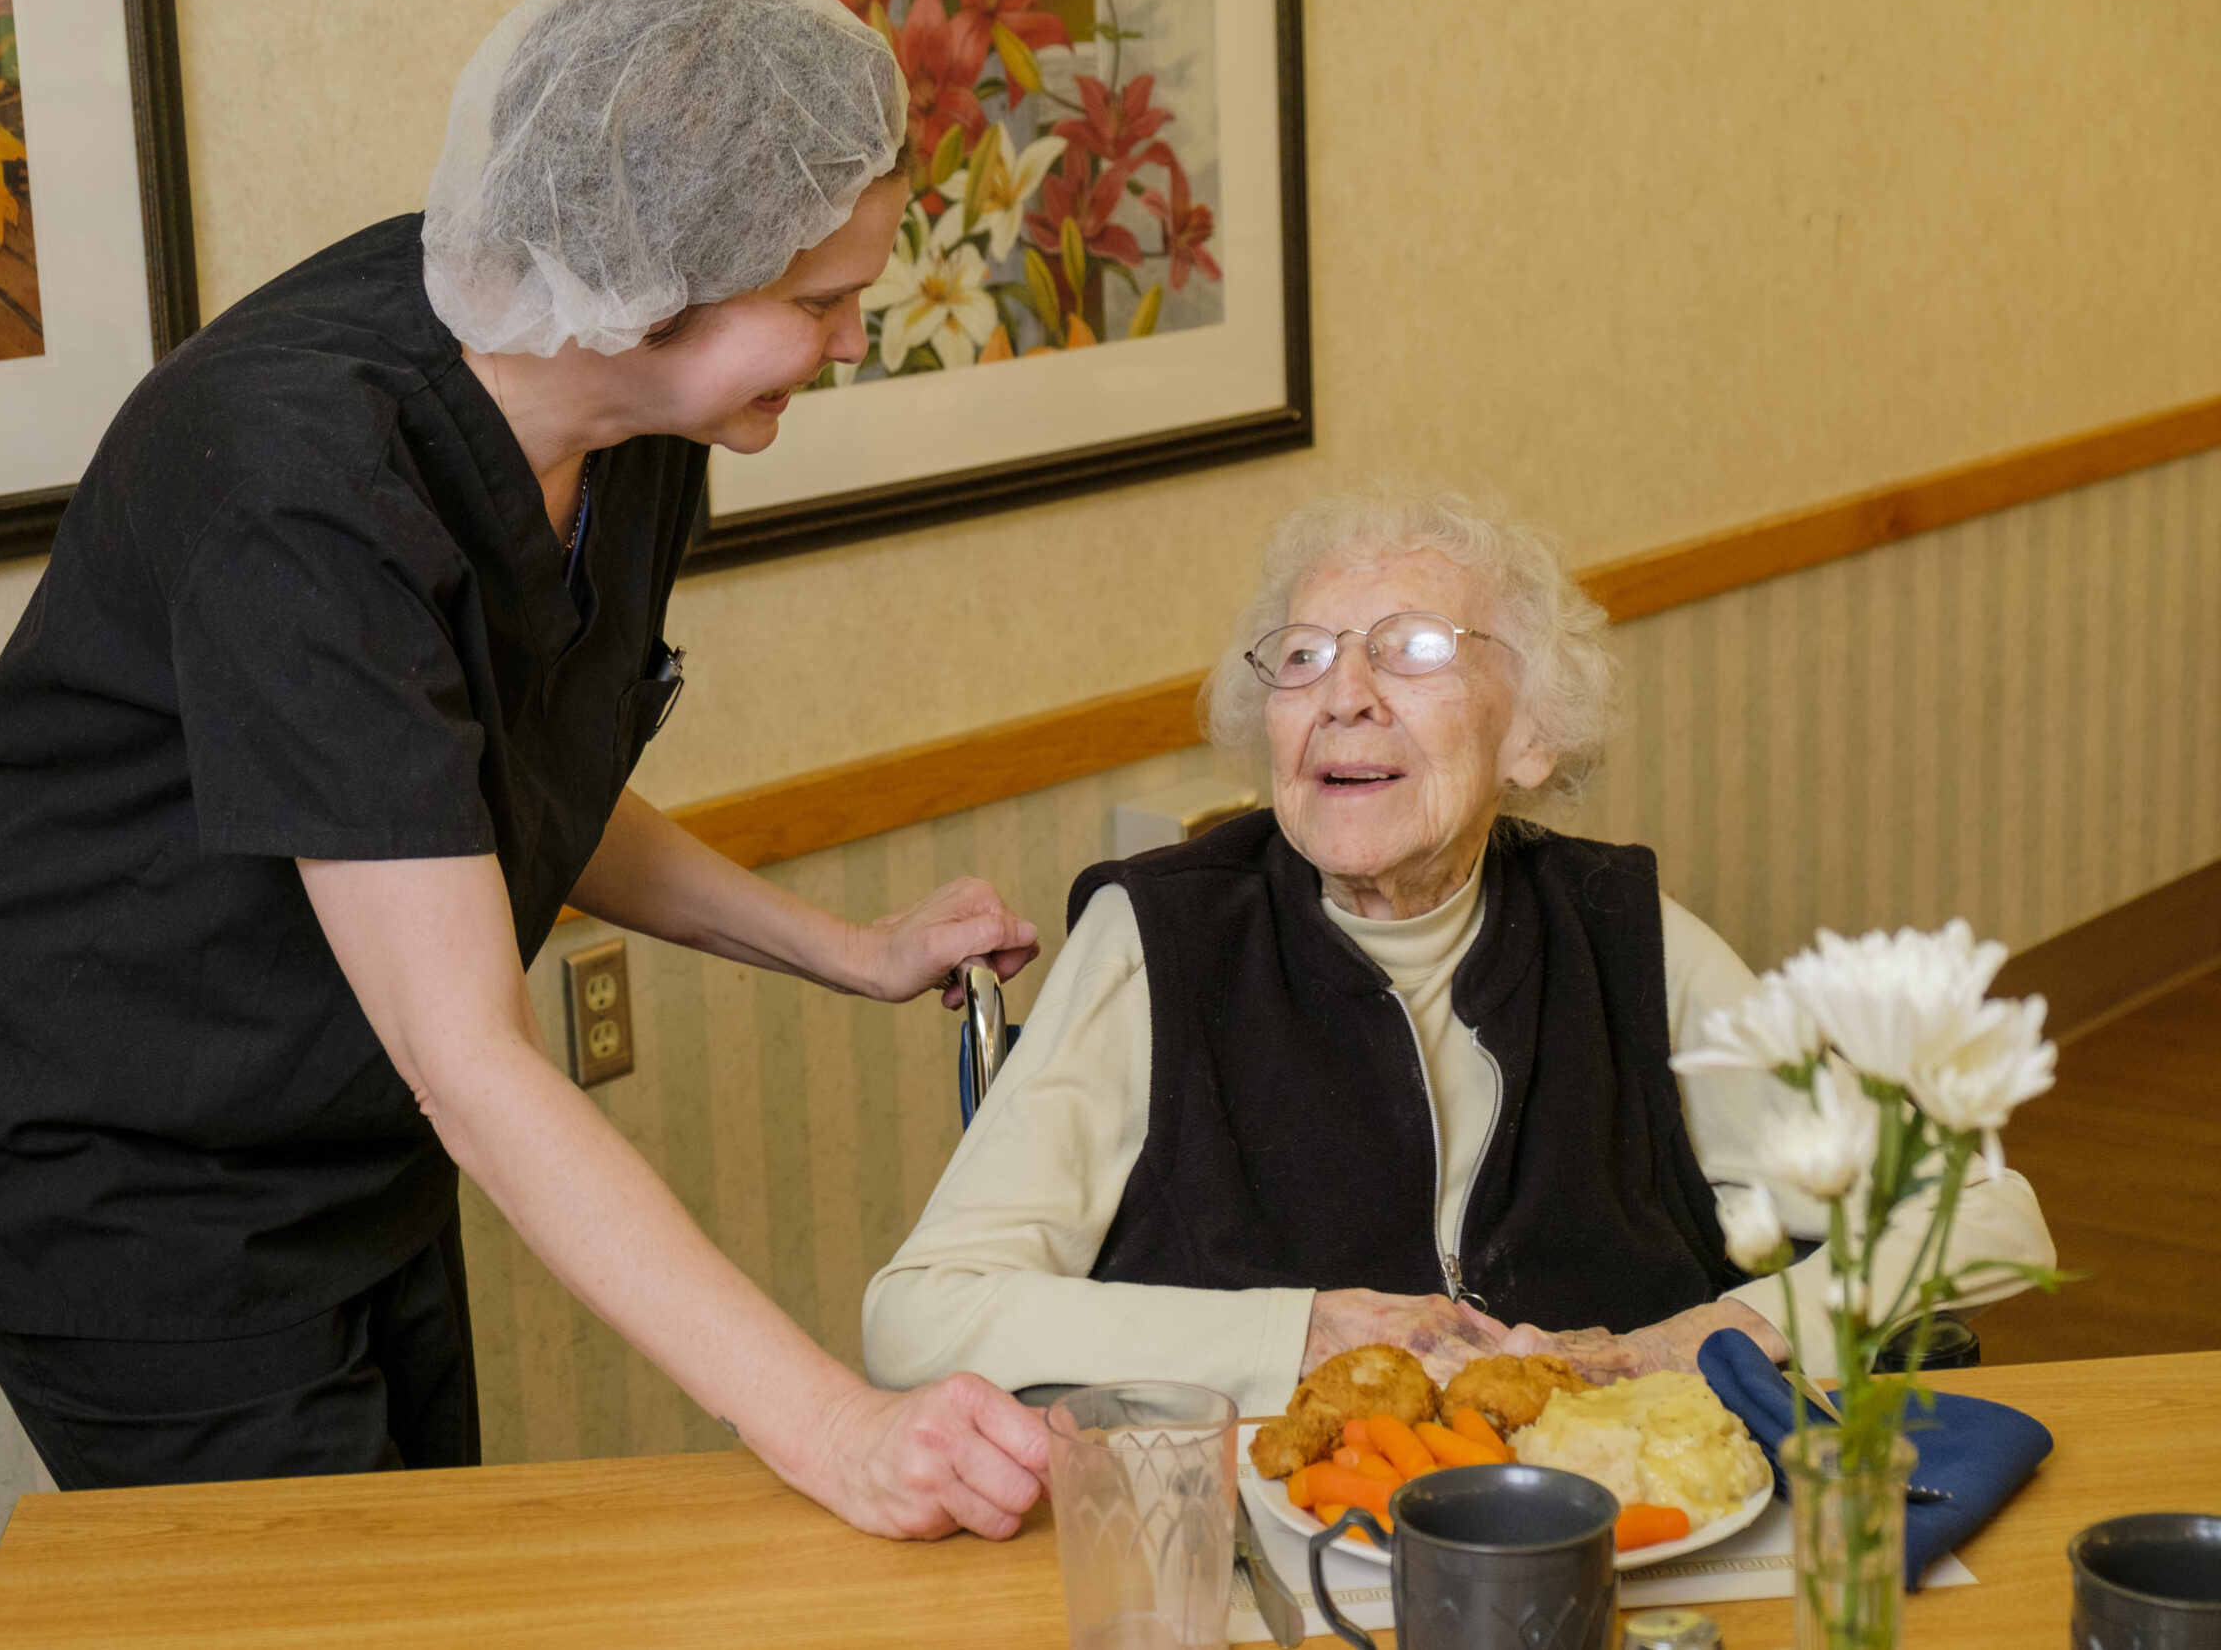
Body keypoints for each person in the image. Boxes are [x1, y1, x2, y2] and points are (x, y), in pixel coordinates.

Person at [0, 0, 1049, 1540]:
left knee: (435, 1570)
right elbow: (470, 1055)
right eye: (820, 301)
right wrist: (836, 1427)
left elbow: (496, 779)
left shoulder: (628, 420)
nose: (850, 340)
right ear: (648, 276)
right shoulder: (299, 477)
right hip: (123, 1163)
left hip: (344, 1127)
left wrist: (846, 946)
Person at [860, 488, 2055, 1415]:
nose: (1345, 695)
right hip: (1281, 1542)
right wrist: (1303, 1335)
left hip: (1615, 1527)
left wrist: (1706, 1340)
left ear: (1530, 730)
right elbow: (920, 1317)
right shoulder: (1162, 942)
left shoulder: (1618, 934)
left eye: (1413, 650)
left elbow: (1985, 1217)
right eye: (1304, 656)